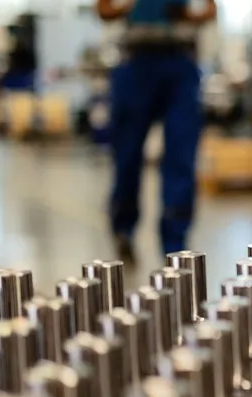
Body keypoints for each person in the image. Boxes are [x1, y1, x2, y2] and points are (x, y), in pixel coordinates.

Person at [97, 0, 217, 259]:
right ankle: (123, 228)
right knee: (127, 155)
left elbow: (210, 11)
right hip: (136, 65)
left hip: (180, 66)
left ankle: (175, 242)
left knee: (181, 156)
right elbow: (103, 10)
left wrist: (186, 14)